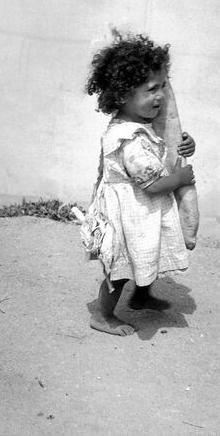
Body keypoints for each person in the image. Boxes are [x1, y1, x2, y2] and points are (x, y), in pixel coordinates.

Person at [83, 33, 196, 336]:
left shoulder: (143, 125)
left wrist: (185, 146)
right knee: (121, 268)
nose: (160, 96)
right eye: (151, 90)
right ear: (122, 94)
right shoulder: (129, 139)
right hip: (130, 210)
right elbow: (151, 185)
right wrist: (181, 180)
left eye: (162, 87)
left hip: (142, 210)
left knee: (148, 253)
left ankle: (142, 295)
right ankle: (103, 315)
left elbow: (162, 151)